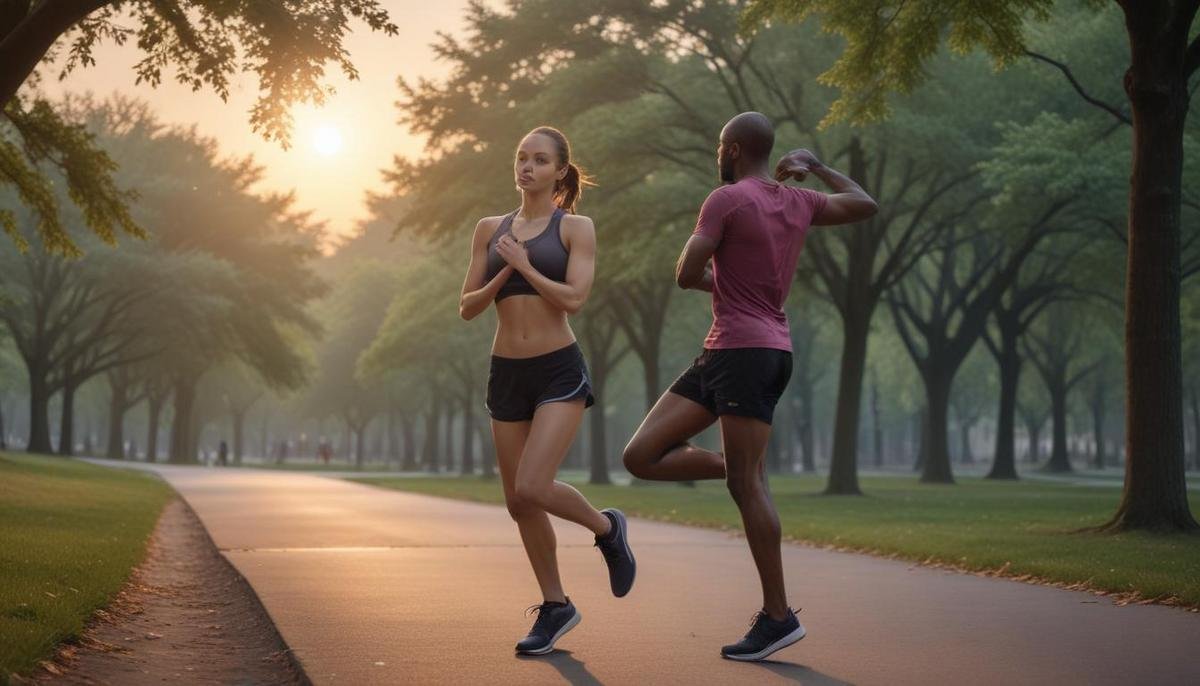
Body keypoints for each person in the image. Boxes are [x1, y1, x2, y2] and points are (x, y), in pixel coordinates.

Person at [622, 112, 878, 661]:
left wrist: (716, 279)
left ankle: (779, 617)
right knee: (640, 455)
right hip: (729, 351)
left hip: (747, 352)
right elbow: (863, 202)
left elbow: (686, 270)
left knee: (747, 488)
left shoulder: (727, 199)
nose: (719, 154)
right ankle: (739, 468)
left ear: (734, 149)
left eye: (721, 146)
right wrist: (818, 166)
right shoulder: (799, 201)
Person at [459, 126, 636, 656]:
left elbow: (574, 299)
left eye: (539, 159)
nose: (526, 167)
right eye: (521, 158)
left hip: (558, 370)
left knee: (534, 485)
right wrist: (502, 271)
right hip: (506, 372)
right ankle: (556, 605)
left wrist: (525, 265)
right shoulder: (489, 229)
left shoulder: (575, 228)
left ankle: (607, 529)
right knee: (518, 502)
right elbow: (467, 305)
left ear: (560, 171)